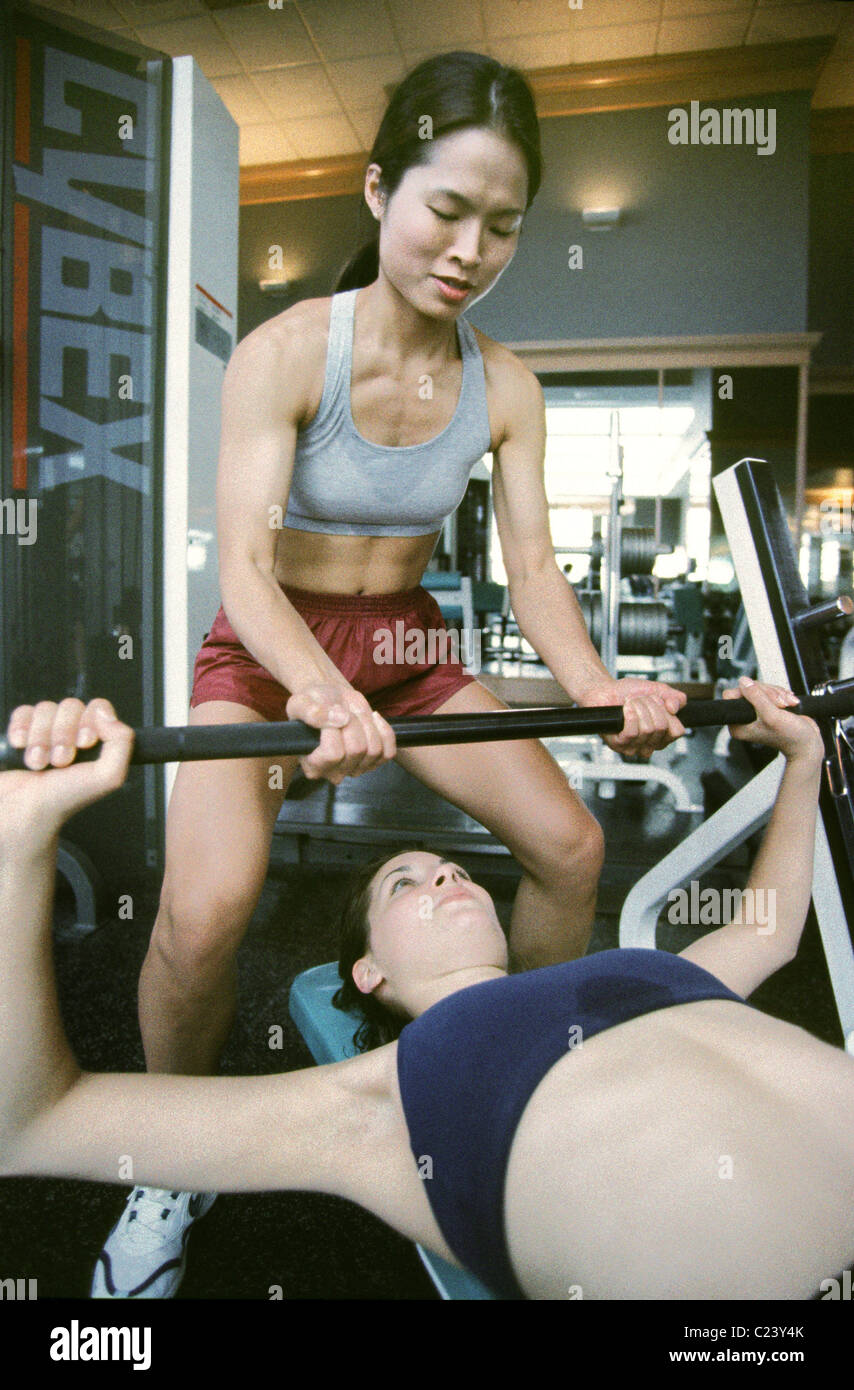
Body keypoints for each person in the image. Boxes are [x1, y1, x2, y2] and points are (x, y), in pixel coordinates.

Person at [87, 50, 689, 1295]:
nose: (469, 247)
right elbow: (244, 572)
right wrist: (317, 692)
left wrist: (607, 684)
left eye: (502, 225)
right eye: (445, 207)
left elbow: (532, 573)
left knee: (571, 847)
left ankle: (517, 1084)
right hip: (266, 652)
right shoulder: (289, 349)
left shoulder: (504, 386)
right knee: (202, 912)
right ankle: (166, 1160)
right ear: (377, 192)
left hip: (405, 650)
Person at [2, 679, 853, 1300]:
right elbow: (32, 1121)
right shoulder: (378, 1102)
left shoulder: (628, 971)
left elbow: (769, 928)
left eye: (447, 867)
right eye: (404, 884)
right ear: (368, 973)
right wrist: (22, 841)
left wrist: (803, 755)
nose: (444, 875)